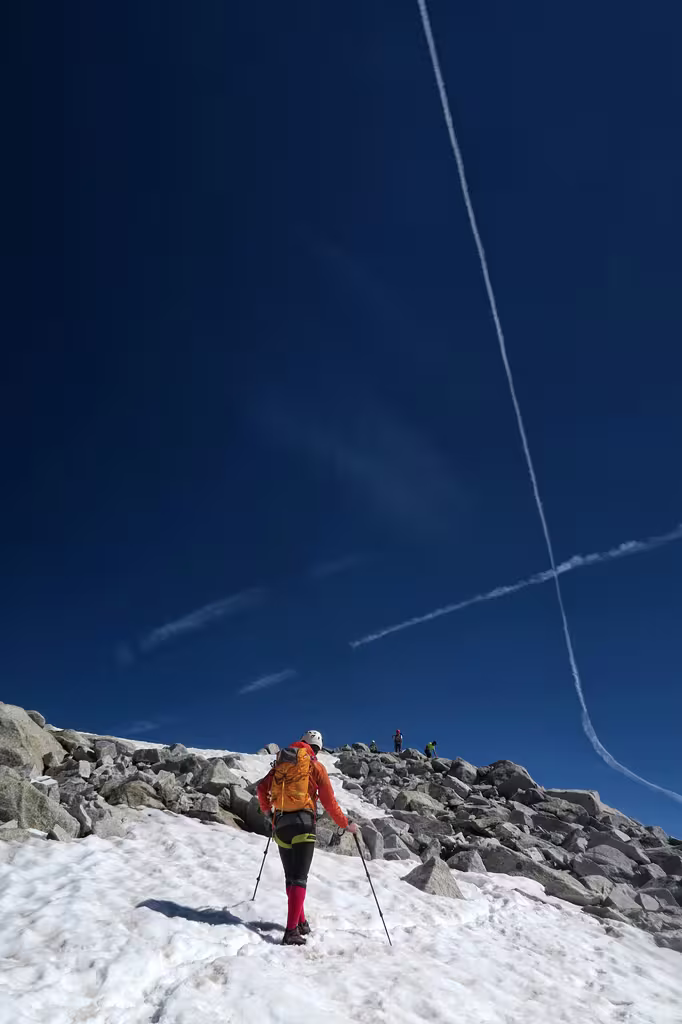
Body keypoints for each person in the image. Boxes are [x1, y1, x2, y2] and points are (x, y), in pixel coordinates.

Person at [257, 729, 357, 946]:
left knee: (290, 878)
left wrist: (268, 813)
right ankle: (291, 930)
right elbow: (330, 803)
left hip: (281, 824)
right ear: (317, 750)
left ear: (301, 742)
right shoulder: (314, 766)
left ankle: (300, 922)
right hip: (303, 824)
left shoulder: (281, 764)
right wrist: (346, 824)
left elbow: (260, 788)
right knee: (300, 879)